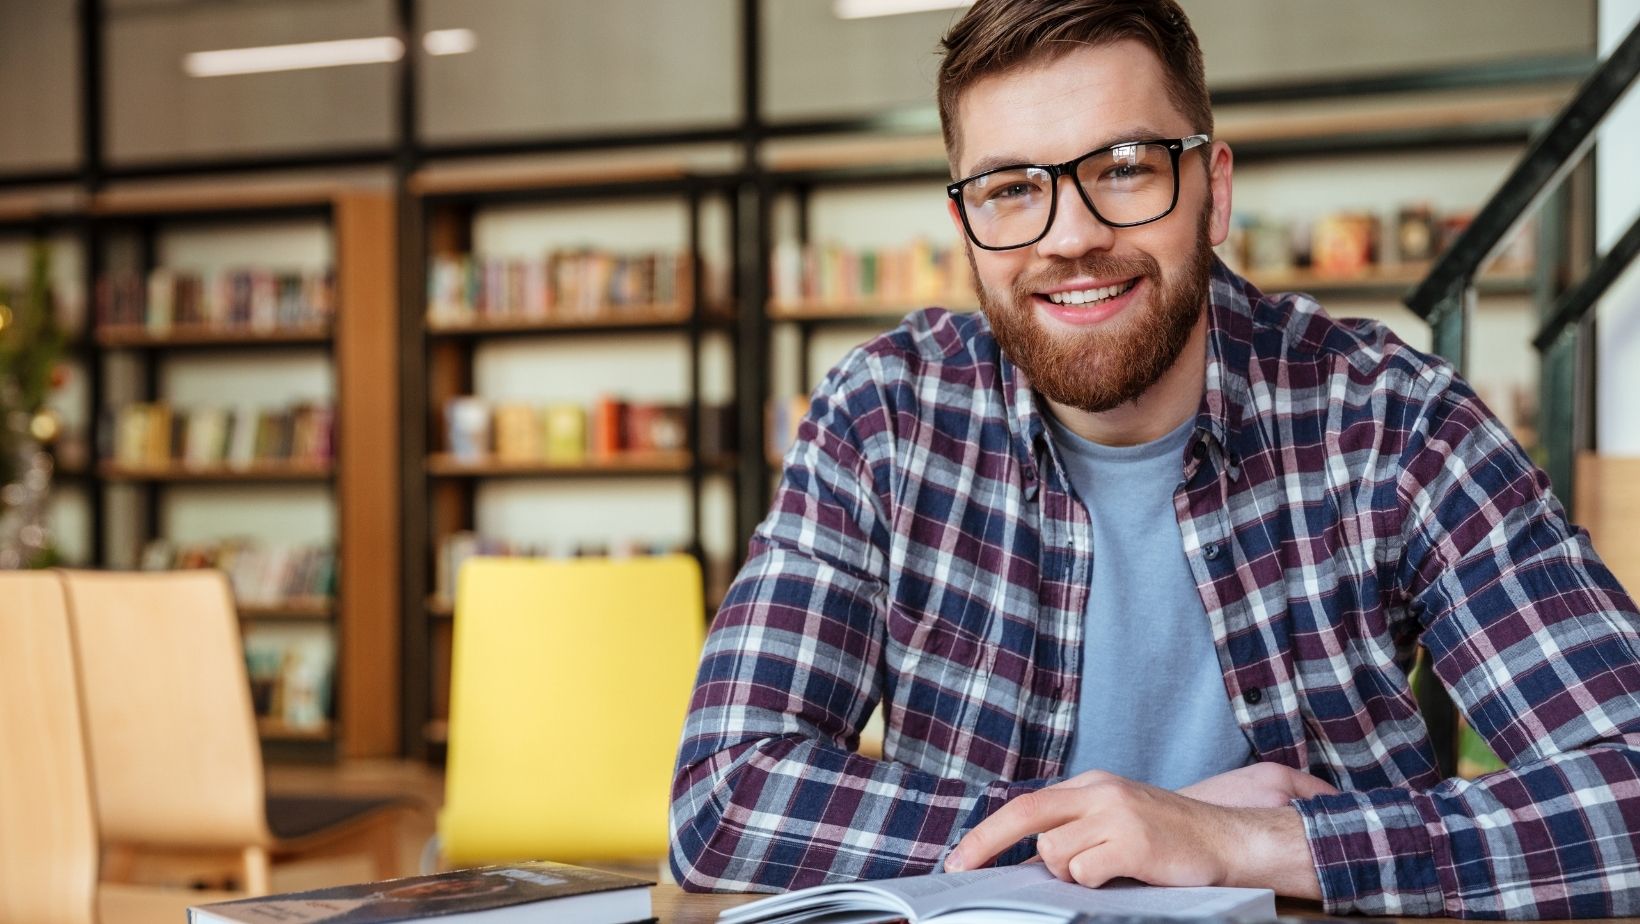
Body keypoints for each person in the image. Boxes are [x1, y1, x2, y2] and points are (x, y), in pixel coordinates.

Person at [668, 1, 1640, 917]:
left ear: (1210, 188)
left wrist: (1243, 843)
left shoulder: (1389, 420)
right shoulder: (884, 416)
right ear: (966, 221)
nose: (1071, 237)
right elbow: (720, 800)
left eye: (1125, 167)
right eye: (1011, 188)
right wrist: (1116, 837)